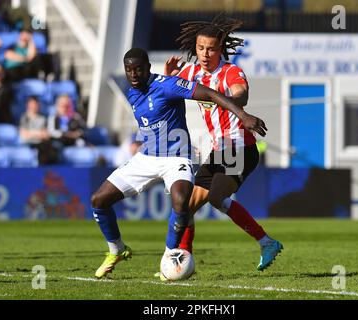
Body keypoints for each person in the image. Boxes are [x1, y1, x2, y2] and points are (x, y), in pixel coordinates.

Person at [90, 48, 267, 279]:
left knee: (182, 201)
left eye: (138, 69)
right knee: (98, 200)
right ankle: (117, 250)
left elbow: (211, 94)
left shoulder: (167, 85)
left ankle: (169, 257)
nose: (133, 74)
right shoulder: (131, 91)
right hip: (146, 158)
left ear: (148, 68)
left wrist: (242, 115)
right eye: (129, 70)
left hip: (176, 158)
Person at [163, 15, 283, 272]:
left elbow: (241, 93)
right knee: (185, 207)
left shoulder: (230, 72)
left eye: (212, 48)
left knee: (217, 197)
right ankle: (181, 262)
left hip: (240, 148)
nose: (206, 54)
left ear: (221, 48)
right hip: (218, 151)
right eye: (201, 48)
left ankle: (266, 242)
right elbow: (170, 88)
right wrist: (169, 76)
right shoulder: (192, 72)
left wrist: (234, 98)